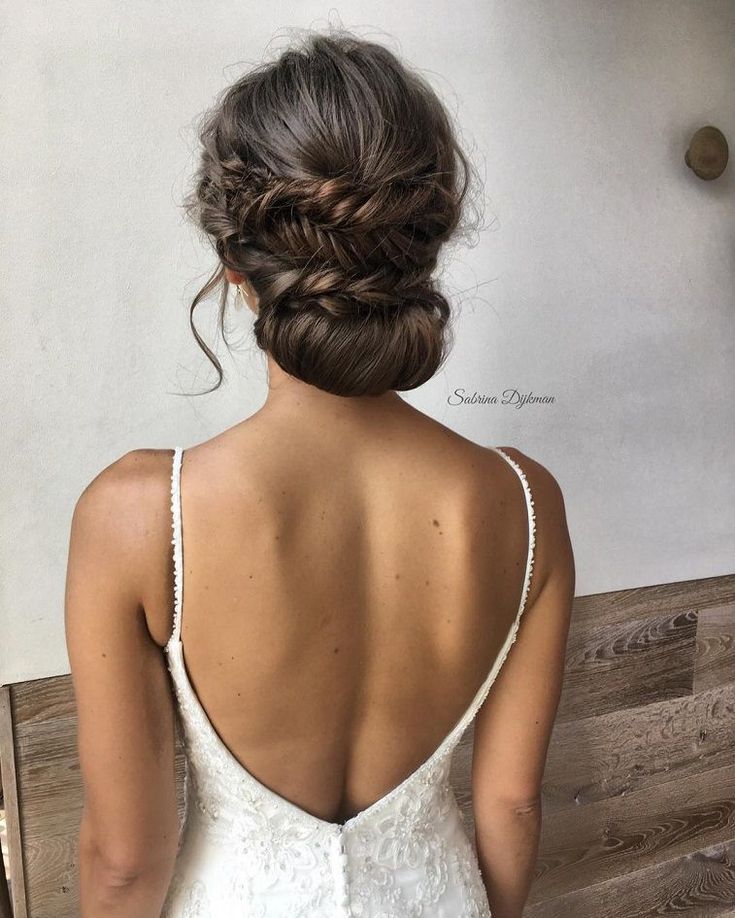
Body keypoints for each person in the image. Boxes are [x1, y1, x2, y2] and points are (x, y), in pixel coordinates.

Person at [65, 28, 575, 918]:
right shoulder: (524, 503)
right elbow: (511, 802)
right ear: (422, 249)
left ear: (234, 267)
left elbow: (122, 860)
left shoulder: (139, 514)